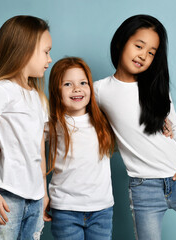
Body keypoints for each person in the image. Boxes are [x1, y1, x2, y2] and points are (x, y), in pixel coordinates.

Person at [93, 14, 176, 239]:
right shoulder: (99, 90)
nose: (143, 56)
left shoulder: (155, 89)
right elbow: (73, 118)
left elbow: (175, 125)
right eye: (139, 46)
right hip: (144, 188)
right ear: (120, 42)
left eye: (151, 53)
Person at [0, 15, 52, 239]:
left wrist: (43, 193)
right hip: (5, 194)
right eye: (46, 51)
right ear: (25, 50)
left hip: (34, 198)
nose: (50, 58)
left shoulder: (38, 98)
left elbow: (39, 151)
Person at [44, 57, 115, 240]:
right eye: (68, 84)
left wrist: (164, 124)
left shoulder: (103, 121)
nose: (77, 88)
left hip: (102, 210)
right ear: (56, 90)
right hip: (65, 210)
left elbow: (133, 127)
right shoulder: (52, 124)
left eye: (83, 83)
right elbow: (22, 142)